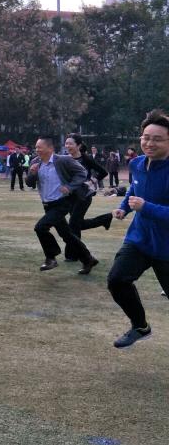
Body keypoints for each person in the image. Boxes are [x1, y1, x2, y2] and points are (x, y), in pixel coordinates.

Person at [107, 110, 169, 347]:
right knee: (117, 280)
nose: (149, 143)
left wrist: (146, 207)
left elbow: (145, 203)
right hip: (139, 239)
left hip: (166, 247)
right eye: (146, 137)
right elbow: (134, 189)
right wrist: (124, 208)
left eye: (157, 139)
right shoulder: (136, 164)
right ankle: (140, 327)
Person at [25, 136, 99, 274]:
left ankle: (51, 258)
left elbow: (82, 173)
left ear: (50, 148)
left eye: (40, 147)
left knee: (40, 227)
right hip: (47, 204)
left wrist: (70, 187)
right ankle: (88, 258)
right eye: (36, 147)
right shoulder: (35, 162)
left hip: (62, 202)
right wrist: (32, 173)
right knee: (66, 235)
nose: (37, 150)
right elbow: (29, 183)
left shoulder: (63, 160)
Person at [63, 134, 113, 262]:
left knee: (73, 224)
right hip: (70, 196)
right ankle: (104, 219)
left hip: (84, 196)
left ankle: (73, 255)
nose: (67, 146)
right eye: (66, 143)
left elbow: (103, 172)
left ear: (78, 145)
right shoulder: (64, 159)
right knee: (76, 224)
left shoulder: (86, 159)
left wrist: (91, 182)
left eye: (70, 143)